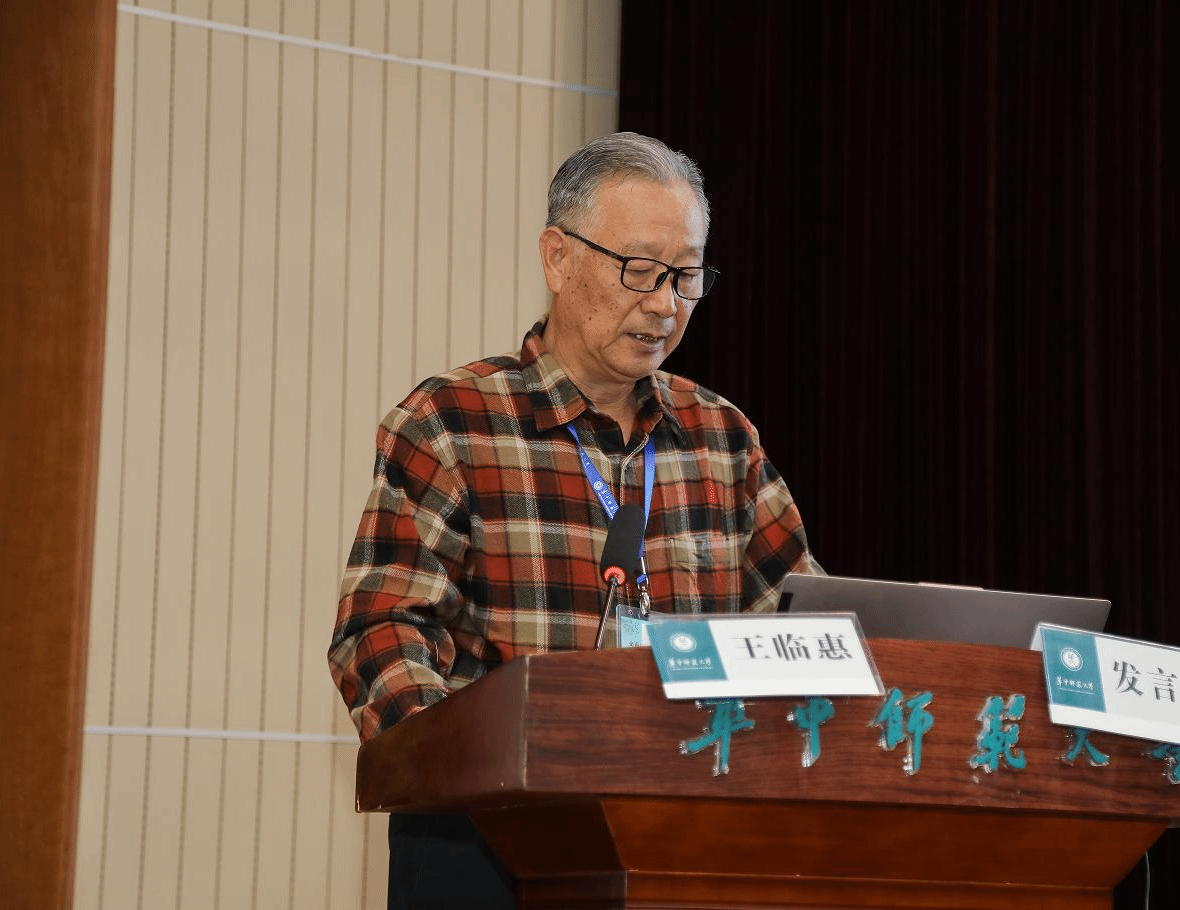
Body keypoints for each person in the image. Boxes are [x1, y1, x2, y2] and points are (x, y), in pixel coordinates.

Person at [329, 131, 822, 909]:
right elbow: (380, 628)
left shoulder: (722, 439)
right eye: (639, 271)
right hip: (490, 850)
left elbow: (803, 623)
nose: (664, 303)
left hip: (686, 843)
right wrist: (472, 768)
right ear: (557, 258)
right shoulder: (453, 423)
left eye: (686, 276)